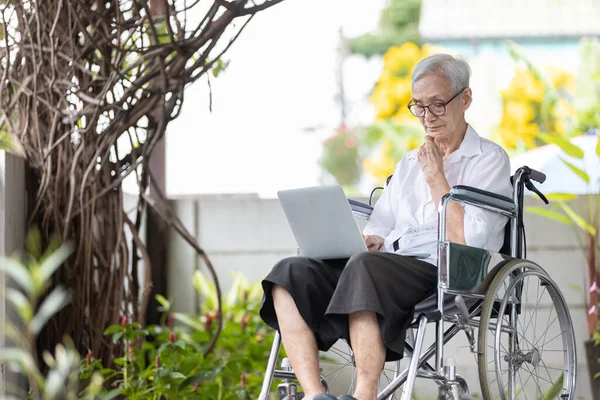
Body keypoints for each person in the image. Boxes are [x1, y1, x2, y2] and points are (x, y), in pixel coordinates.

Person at [259, 53, 512, 400]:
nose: (427, 117)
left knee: (366, 267)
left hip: (446, 269)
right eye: (419, 107)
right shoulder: (409, 163)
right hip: (385, 265)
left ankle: (365, 395)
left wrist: (438, 178)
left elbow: (472, 240)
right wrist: (371, 238)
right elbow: (383, 222)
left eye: (437, 105)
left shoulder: (488, 159)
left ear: (465, 99)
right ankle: (315, 394)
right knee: (289, 273)